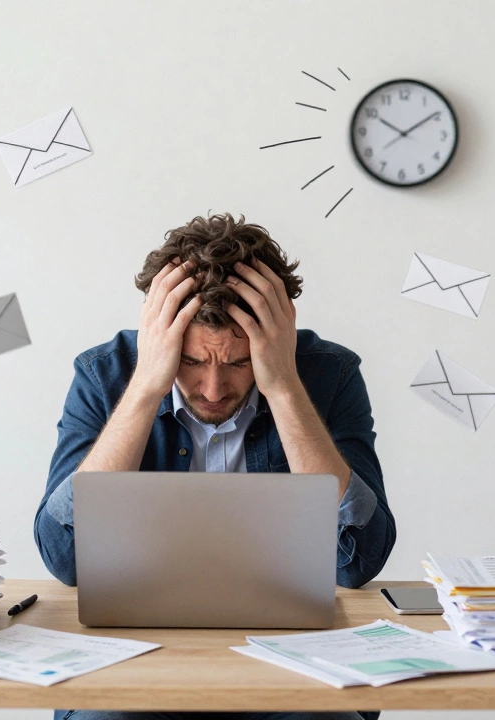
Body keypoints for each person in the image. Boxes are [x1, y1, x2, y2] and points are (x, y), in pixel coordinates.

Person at [34, 213, 393, 720]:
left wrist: (283, 386)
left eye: (239, 363)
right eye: (192, 361)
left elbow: (359, 561)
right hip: (137, 662)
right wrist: (146, 387)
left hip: (292, 664)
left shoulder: (330, 374)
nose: (213, 388)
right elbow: (63, 559)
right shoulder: (104, 373)